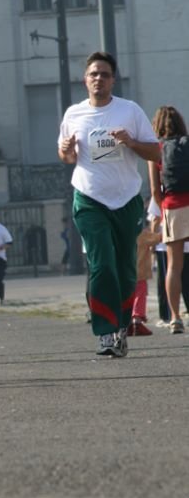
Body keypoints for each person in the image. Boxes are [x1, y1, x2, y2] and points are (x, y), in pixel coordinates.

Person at [58, 51, 159, 357]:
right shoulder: (74, 114)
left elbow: (155, 153)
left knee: (126, 269)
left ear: (113, 79)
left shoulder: (129, 111)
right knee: (102, 266)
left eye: (104, 74)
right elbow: (67, 157)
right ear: (85, 80)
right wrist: (67, 151)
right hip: (89, 199)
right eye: (93, 74)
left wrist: (130, 142)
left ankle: (122, 326)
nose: (98, 79)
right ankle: (105, 332)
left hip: (126, 200)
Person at [148, 105, 189, 333]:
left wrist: (164, 207)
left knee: (174, 265)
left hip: (173, 207)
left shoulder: (156, 150)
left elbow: (155, 189)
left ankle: (175, 318)